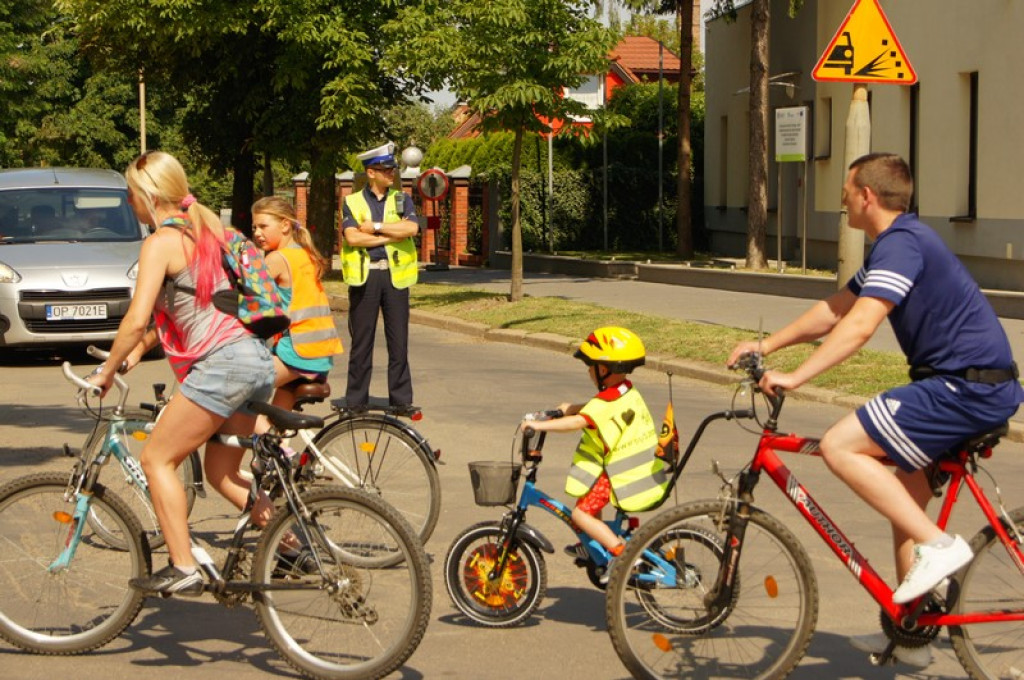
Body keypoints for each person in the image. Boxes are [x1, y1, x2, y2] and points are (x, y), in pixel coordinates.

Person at [727, 152, 1023, 668]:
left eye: (846, 189)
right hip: (961, 384)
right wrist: (766, 348)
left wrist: (796, 378)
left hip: (965, 387)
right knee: (903, 494)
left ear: (867, 194)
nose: (841, 198)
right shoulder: (898, 245)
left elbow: (860, 327)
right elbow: (836, 308)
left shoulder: (903, 244)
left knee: (841, 445)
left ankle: (940, 546)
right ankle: (914, 634)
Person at [87, 150, 276, 596]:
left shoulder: (160, 243)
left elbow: (135, 319)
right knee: (223, 474)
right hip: (254, 360)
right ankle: (292, 543)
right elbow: (186, 310)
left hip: (223, 367)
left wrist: (107, 372)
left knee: (156, 458)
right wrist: (134, 355)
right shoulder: (207, 233)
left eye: (131, 196)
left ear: (149, 196)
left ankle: (183, 563)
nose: (129, 204)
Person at [522, 326, 669, 580]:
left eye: (590, 366)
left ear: (604, 369)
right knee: (586, 505)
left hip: (620, 473)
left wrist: (538, 425)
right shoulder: (624, 391)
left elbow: (577, 422)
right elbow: (594, 409)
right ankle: (594, 544)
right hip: (639, 468)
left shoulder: (605, 403)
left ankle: (622, 557)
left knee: (580, 514)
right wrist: (570, 407)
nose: (589, 371)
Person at [251, 196, 343, 431]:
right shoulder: (303, 254)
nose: (257, 232)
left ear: (284, 225)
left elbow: (246, 296)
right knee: (276, 423)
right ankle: (276, 456)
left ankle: (268, 445)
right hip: (318, 352)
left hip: (297, 352)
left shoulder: (276, 259)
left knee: (232, 392)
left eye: (263, 226)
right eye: (254, 227)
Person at [340, 141, 419, 409]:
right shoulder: (351, 201)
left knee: (399, 342)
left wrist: (374, 228)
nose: (392, 174)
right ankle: (355, 401)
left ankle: (401, 401)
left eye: (393, 169)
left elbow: (410, 229)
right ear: (371, 173)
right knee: (362, 343)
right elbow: (352, 237)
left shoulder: (402, 199)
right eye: (385, 170)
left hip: (395, 277)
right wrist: (389, 236)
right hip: (366, 277)